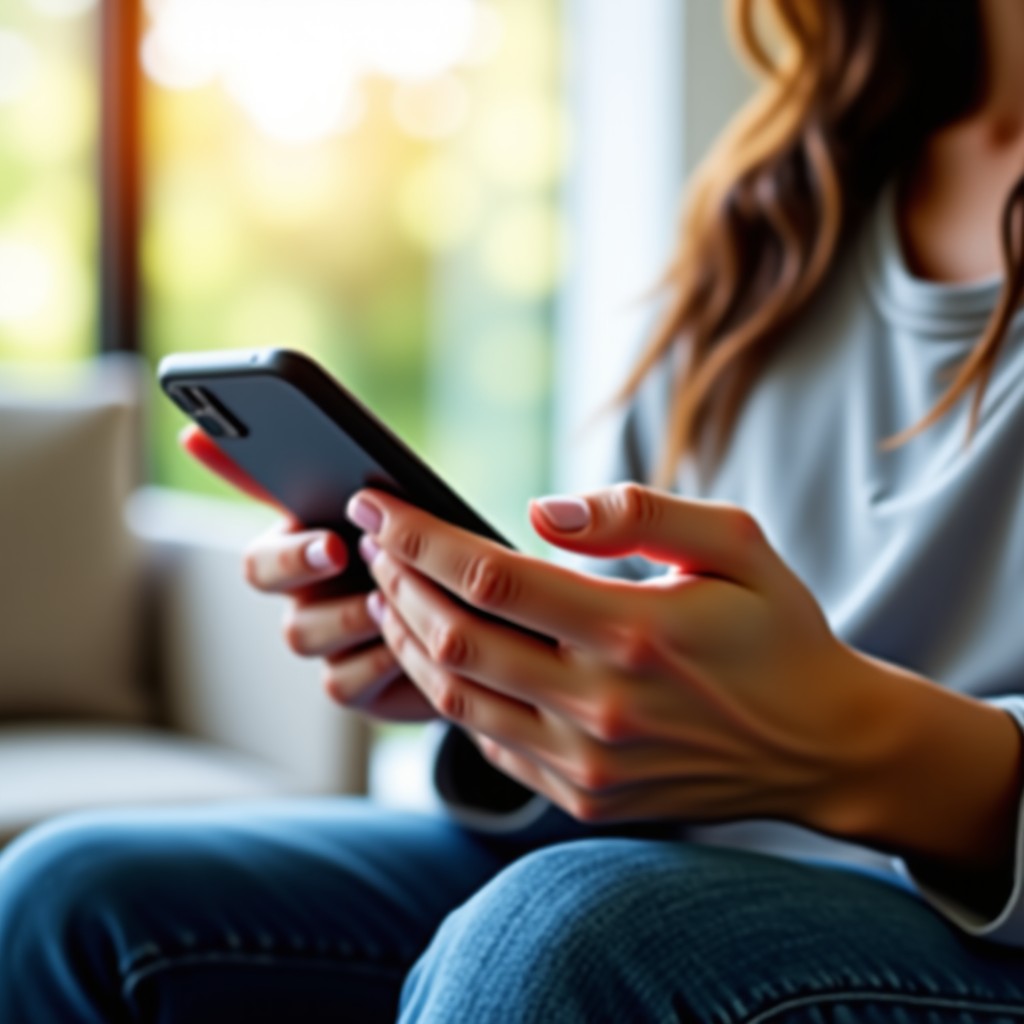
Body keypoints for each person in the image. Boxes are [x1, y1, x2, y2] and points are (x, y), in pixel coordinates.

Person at [4, 0, 1024, 1019]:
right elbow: (636, 636)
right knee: (70, 899)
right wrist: (499, 679)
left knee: (560, 936)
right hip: (670, 861)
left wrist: (864, 746)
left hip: (958, 933)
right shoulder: (792, 188)